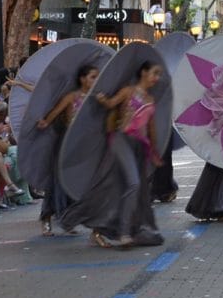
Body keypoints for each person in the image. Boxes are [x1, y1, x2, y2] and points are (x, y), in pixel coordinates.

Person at [61, 61, 164, 248]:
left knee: (116, 188)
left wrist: (155, 151)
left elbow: (151, 128)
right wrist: (102, 99)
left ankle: (100, 229)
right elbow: (110, 104)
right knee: (133, 183)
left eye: (159, 75)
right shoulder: (128, 91)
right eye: (155, 73)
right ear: (143, 72)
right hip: (120, 140)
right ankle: (124, 233)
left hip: (139, 147)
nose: (157, 78)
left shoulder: (150, 100)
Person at [36, 64, 99, 236]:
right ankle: (46, 217)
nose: (96, 80)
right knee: (57, 180)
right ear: (82, 79)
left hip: (83, 145)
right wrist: (45, 122)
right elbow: (54, 113)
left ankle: (69, 218)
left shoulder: (95, 98)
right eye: (93, 77)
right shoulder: (71, 96)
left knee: (77, 181)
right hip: (65, 143)